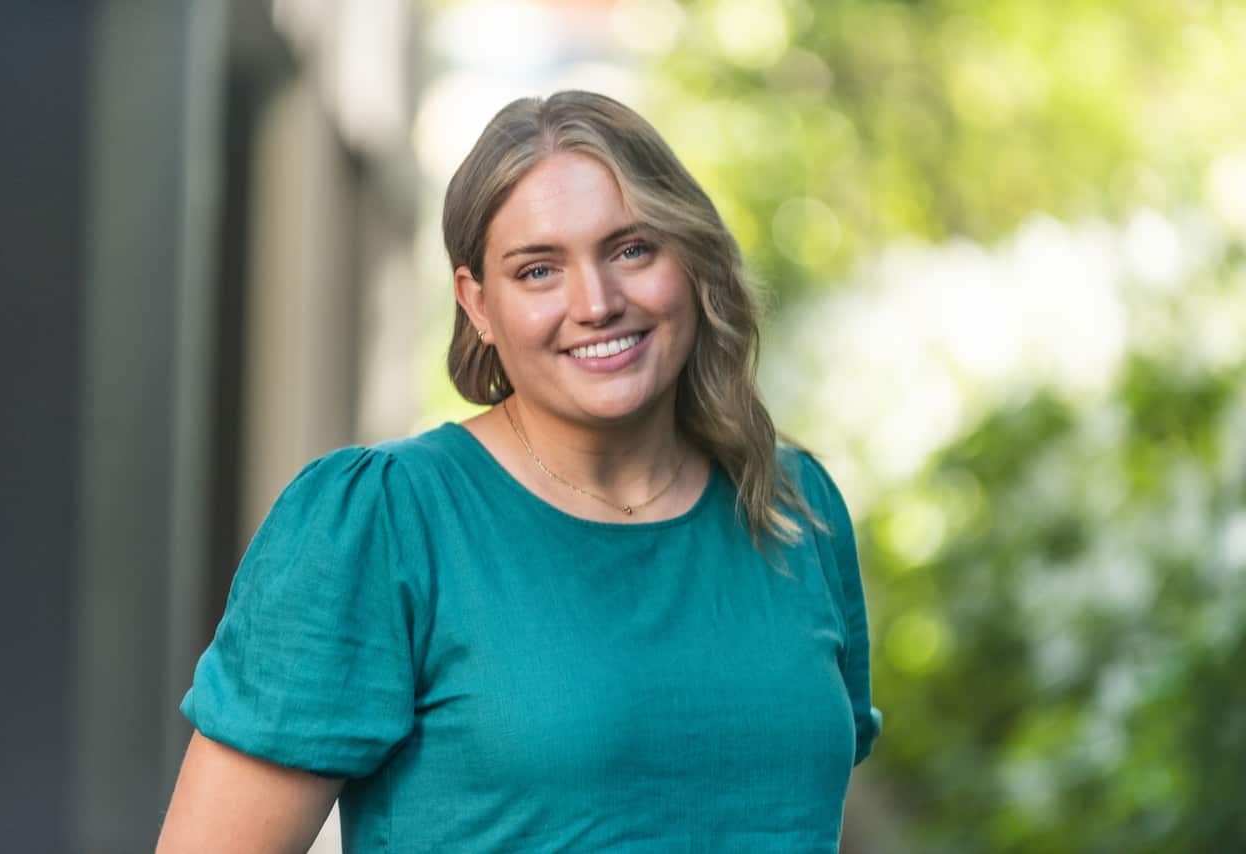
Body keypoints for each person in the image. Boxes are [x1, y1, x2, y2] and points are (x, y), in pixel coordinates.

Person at [157, 90, 880, 853]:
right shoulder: (385, 523)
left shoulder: (794, 507)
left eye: (632, 248)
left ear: (692, 258)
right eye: (538, 270)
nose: (596, 302)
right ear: (477, 304)